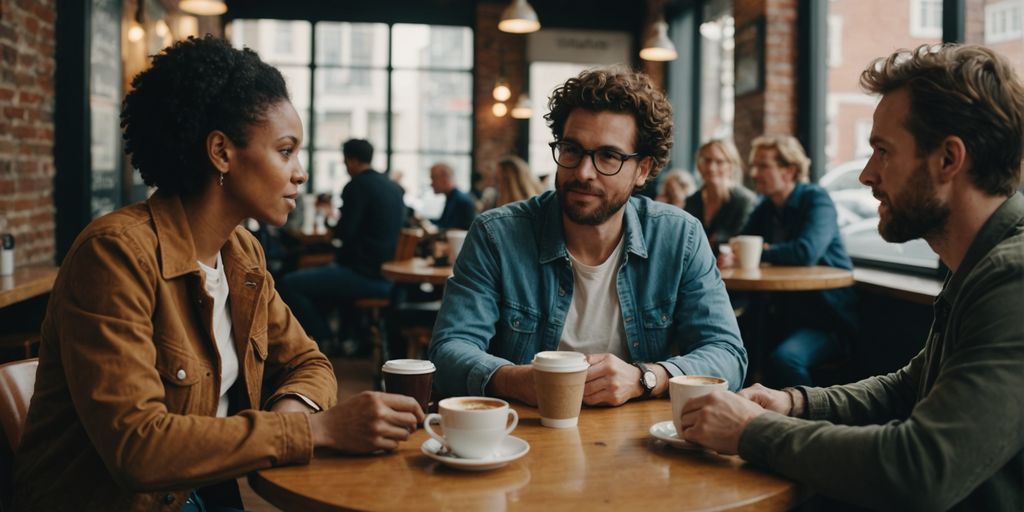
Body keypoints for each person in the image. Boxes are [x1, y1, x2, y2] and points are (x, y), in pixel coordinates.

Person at [11, 37, 424, 511]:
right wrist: (314, 429)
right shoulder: (114, 256)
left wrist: (296, 411)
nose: (300, 173)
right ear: (221, 152)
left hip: (206, 490)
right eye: (286, 151)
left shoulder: (240, 253)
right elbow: (139, 449)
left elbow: (309, 364)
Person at [681, 44, 1024, 510]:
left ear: (948, 159)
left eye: (882, 151)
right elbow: (908, 388)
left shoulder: (1013, 280)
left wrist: (749, 431)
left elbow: (919, 469)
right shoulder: (982, 263)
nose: (865, 174)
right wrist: (795, 404)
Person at [429, 67, 746, 406]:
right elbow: (448, 352)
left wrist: (645, 378)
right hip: (524, 436)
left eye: (608, 156)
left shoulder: (679, 237)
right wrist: (516, 380)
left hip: (641, 442)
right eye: (571, 150)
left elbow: (727, 354)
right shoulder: (497, 235)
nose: (582, 172)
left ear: (642, 170)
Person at [719, 135, 858, 387]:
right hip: (782, 314)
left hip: (826, 319)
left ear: (789, 170)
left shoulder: (817, 200)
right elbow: (740, 240)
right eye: (754, 165)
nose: (754, 172)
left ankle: (809, 421)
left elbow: (805, 252)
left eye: (763, 165)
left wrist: (760, 252)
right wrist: (732, 251)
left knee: (785, 359)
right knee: (732, 349)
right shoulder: (766, 207)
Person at [277, 139, 406, 355]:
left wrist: (330, 223)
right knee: (319, 278)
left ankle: (325, 340)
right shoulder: (393, 187)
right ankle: (342, 336)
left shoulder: (356, 185)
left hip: (364, 274)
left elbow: (345, 234)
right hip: (387, 276)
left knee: (289, 283)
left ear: (351, 161)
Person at [683, 139, 756, 250]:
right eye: (707, 161)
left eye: (719, 162)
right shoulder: (692, 201)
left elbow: (744, 242)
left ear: (731, 167)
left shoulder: (744, 201)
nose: (711, 168)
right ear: (698, 165)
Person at [430, 161, 477, 230]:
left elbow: (455, 229)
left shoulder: (461, 201)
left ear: (444, 179)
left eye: (433, 179)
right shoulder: (452, 198)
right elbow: (444, 223)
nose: (431, 184)